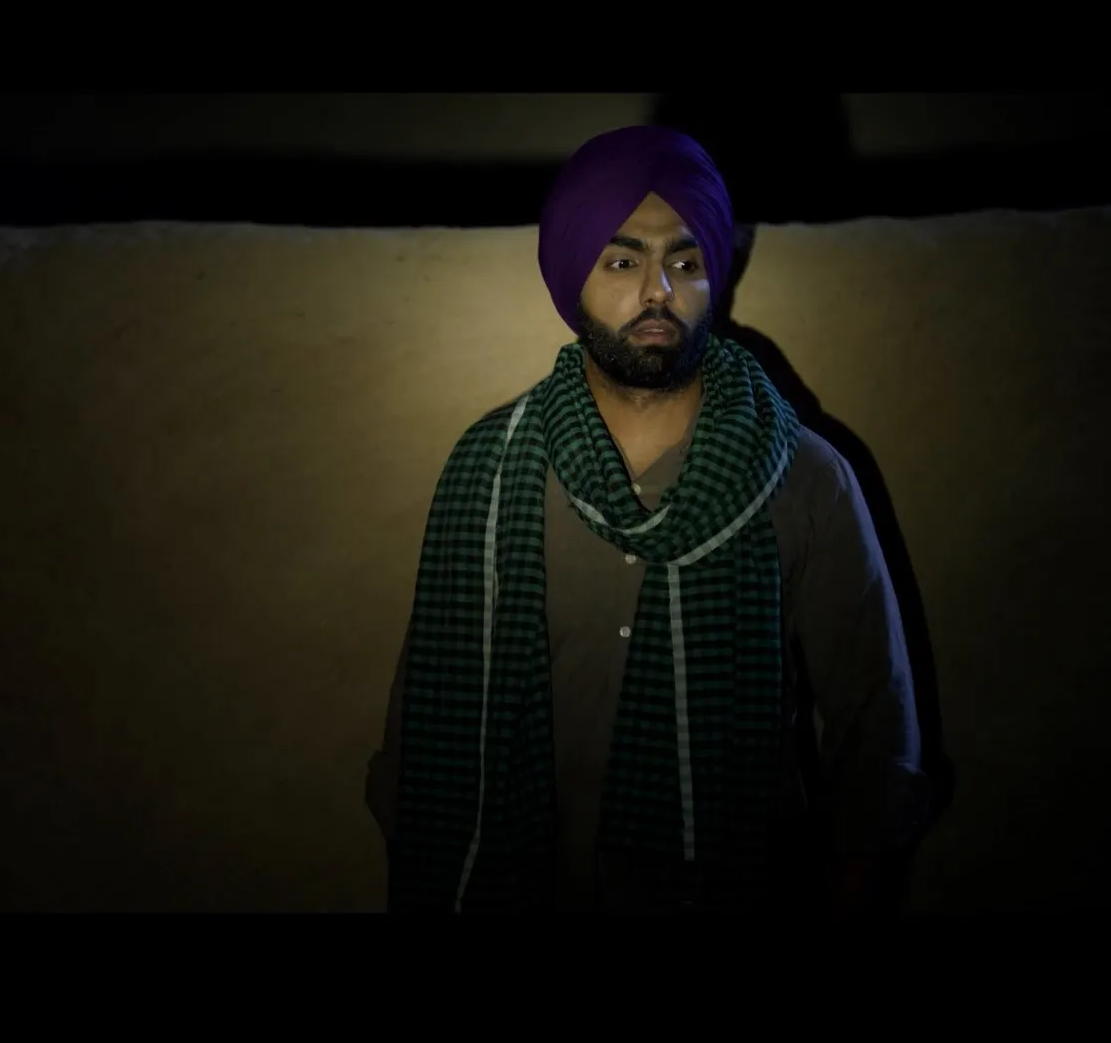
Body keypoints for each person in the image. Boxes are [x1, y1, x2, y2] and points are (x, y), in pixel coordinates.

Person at [364, 125, 928, 914]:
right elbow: (424, 729)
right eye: (623, 261)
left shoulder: (805, 477)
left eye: (685, 263)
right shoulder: (487, 470)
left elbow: (875, 728)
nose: (658, 292)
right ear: (573, 274)